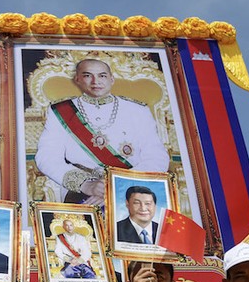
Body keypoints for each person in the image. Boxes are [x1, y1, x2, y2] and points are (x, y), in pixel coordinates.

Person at [34, 58, 169, 205]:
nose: (95, 81)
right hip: (81, 192)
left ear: (112, 79)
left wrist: (118, 186)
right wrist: (86, 185)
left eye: (102, 76)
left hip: (131, 189)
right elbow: (47, 157)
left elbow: (157, 157)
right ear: (77, 79)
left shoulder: (138, 110)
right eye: (87, 75)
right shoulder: (61, 111)